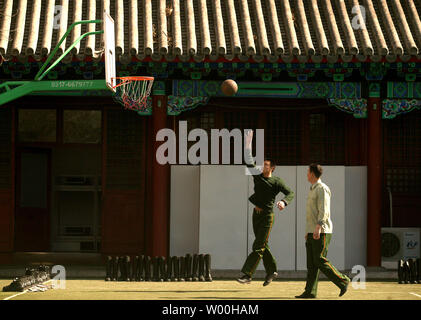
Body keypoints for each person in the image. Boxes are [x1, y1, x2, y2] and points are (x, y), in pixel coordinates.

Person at [237, 130, 294, 286]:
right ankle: (272, 271)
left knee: (258, 245)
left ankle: (247, 275)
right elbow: (249, 161)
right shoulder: (258, 175)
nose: (263, 167)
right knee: (262, 244)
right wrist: (248, 144)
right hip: (256, 214)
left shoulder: (277, 181)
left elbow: (290, 193)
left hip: (268, 216)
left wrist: (284, 202)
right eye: (263, 164)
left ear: (272, 168)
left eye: (266, 165)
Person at [296, 164, 350, 299]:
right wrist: (308, 231)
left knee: (319, 260)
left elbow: (324, 210)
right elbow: (311, 213)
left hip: (321, 230)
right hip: (311, 231)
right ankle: (310, 291)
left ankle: (343, 280)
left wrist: (318, 227)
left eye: (308, 172)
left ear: (313, 174)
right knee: (311, 263)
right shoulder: (312, 189)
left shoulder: (322, 189)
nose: (307, 175)